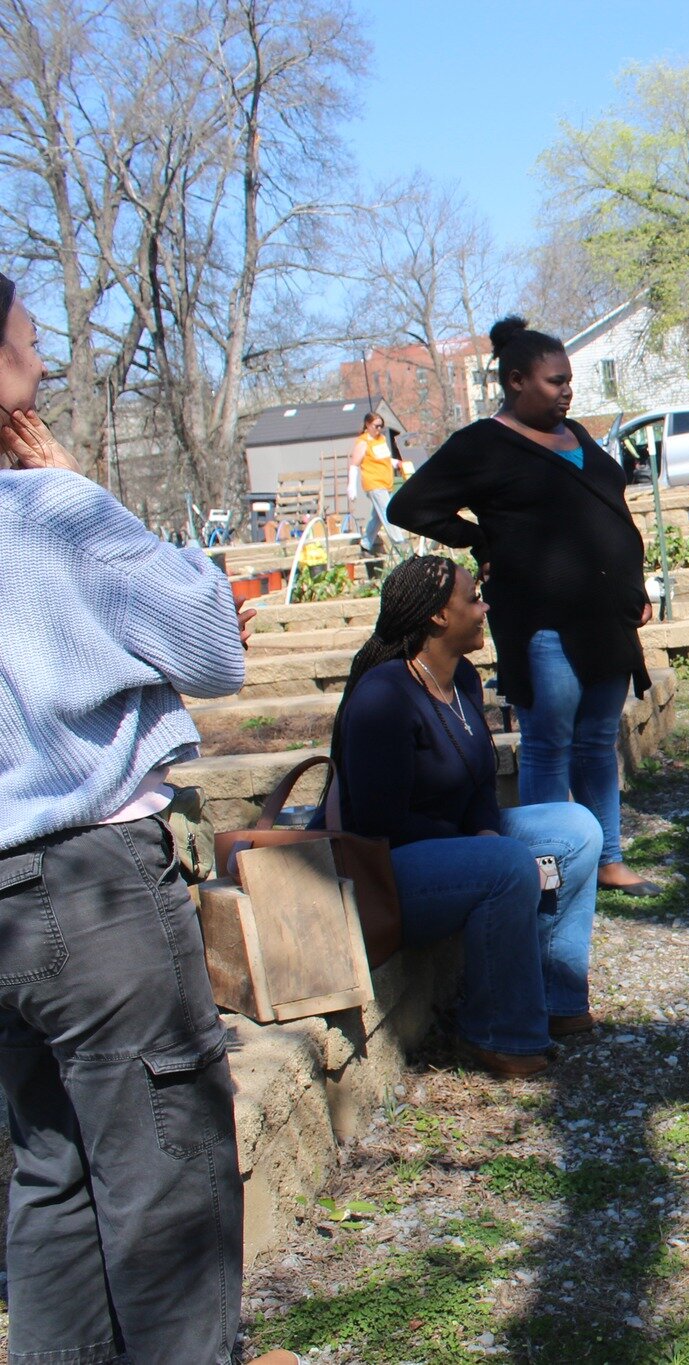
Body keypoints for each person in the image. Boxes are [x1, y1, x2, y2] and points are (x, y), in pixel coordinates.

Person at [0, 273, 299, 1365]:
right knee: (165, 1181)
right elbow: (212, 653)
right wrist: (87, 493)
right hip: (89, 887)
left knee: (54, 1172)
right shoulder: (52, 510)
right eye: (29, 347)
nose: (41, 365)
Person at [390, 316, 661, 897]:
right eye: (555, 381)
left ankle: (608, 858)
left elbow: (608, 512)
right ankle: (546, 869)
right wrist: (480, 540)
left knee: (597, 739)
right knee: (549, 741)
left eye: (569, 381)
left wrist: (633, 589)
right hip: (542, 624)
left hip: (605, 620)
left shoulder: (578, 437)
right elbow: (409, 506)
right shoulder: (481, 445)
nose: (568, 391)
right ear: (517, 381)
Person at [329, 555, 602, 1076]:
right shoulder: (384, 697)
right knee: (502, 864)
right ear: (437, 616)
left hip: (458, 847)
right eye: (473, 598)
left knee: (579, 829)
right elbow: (376, 821)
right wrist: (481, 845)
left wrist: (482, 830)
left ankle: (556, 999)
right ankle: (501, 1033)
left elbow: (481, 780)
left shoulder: (465, 684)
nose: (485, 607)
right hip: (389, 871)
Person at [348, 410, 411, 556]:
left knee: (378, 517)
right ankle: (400, 544)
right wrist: (352, 486)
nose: (379, 429)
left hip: (386, 483)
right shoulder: (363, 442)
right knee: (388, 512)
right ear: (367, 425)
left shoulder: (381, 439)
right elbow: (354, 464)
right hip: (374, 483)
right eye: (376, 426)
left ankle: (365, 544)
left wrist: (397, 463)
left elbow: (384, 459)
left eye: (381, 426)